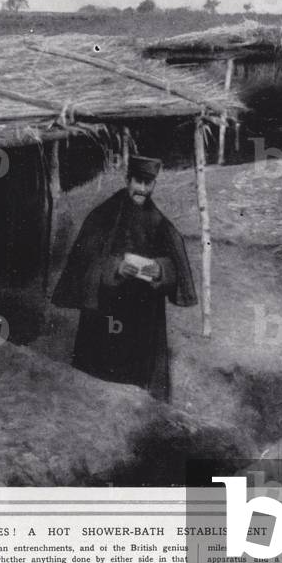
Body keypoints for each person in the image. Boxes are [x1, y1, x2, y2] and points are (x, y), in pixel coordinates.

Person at [51, 155, 197, 402]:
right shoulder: (103, 216)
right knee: (101, 377)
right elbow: (85, 259)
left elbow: (175, 263)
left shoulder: (158, 221)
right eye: (137, 181)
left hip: (144, 313)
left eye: (147, 183)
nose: (141, 189)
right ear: (127, 180)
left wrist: (160, 270)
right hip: (107, 309)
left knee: (139, 383)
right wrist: (115, 268)